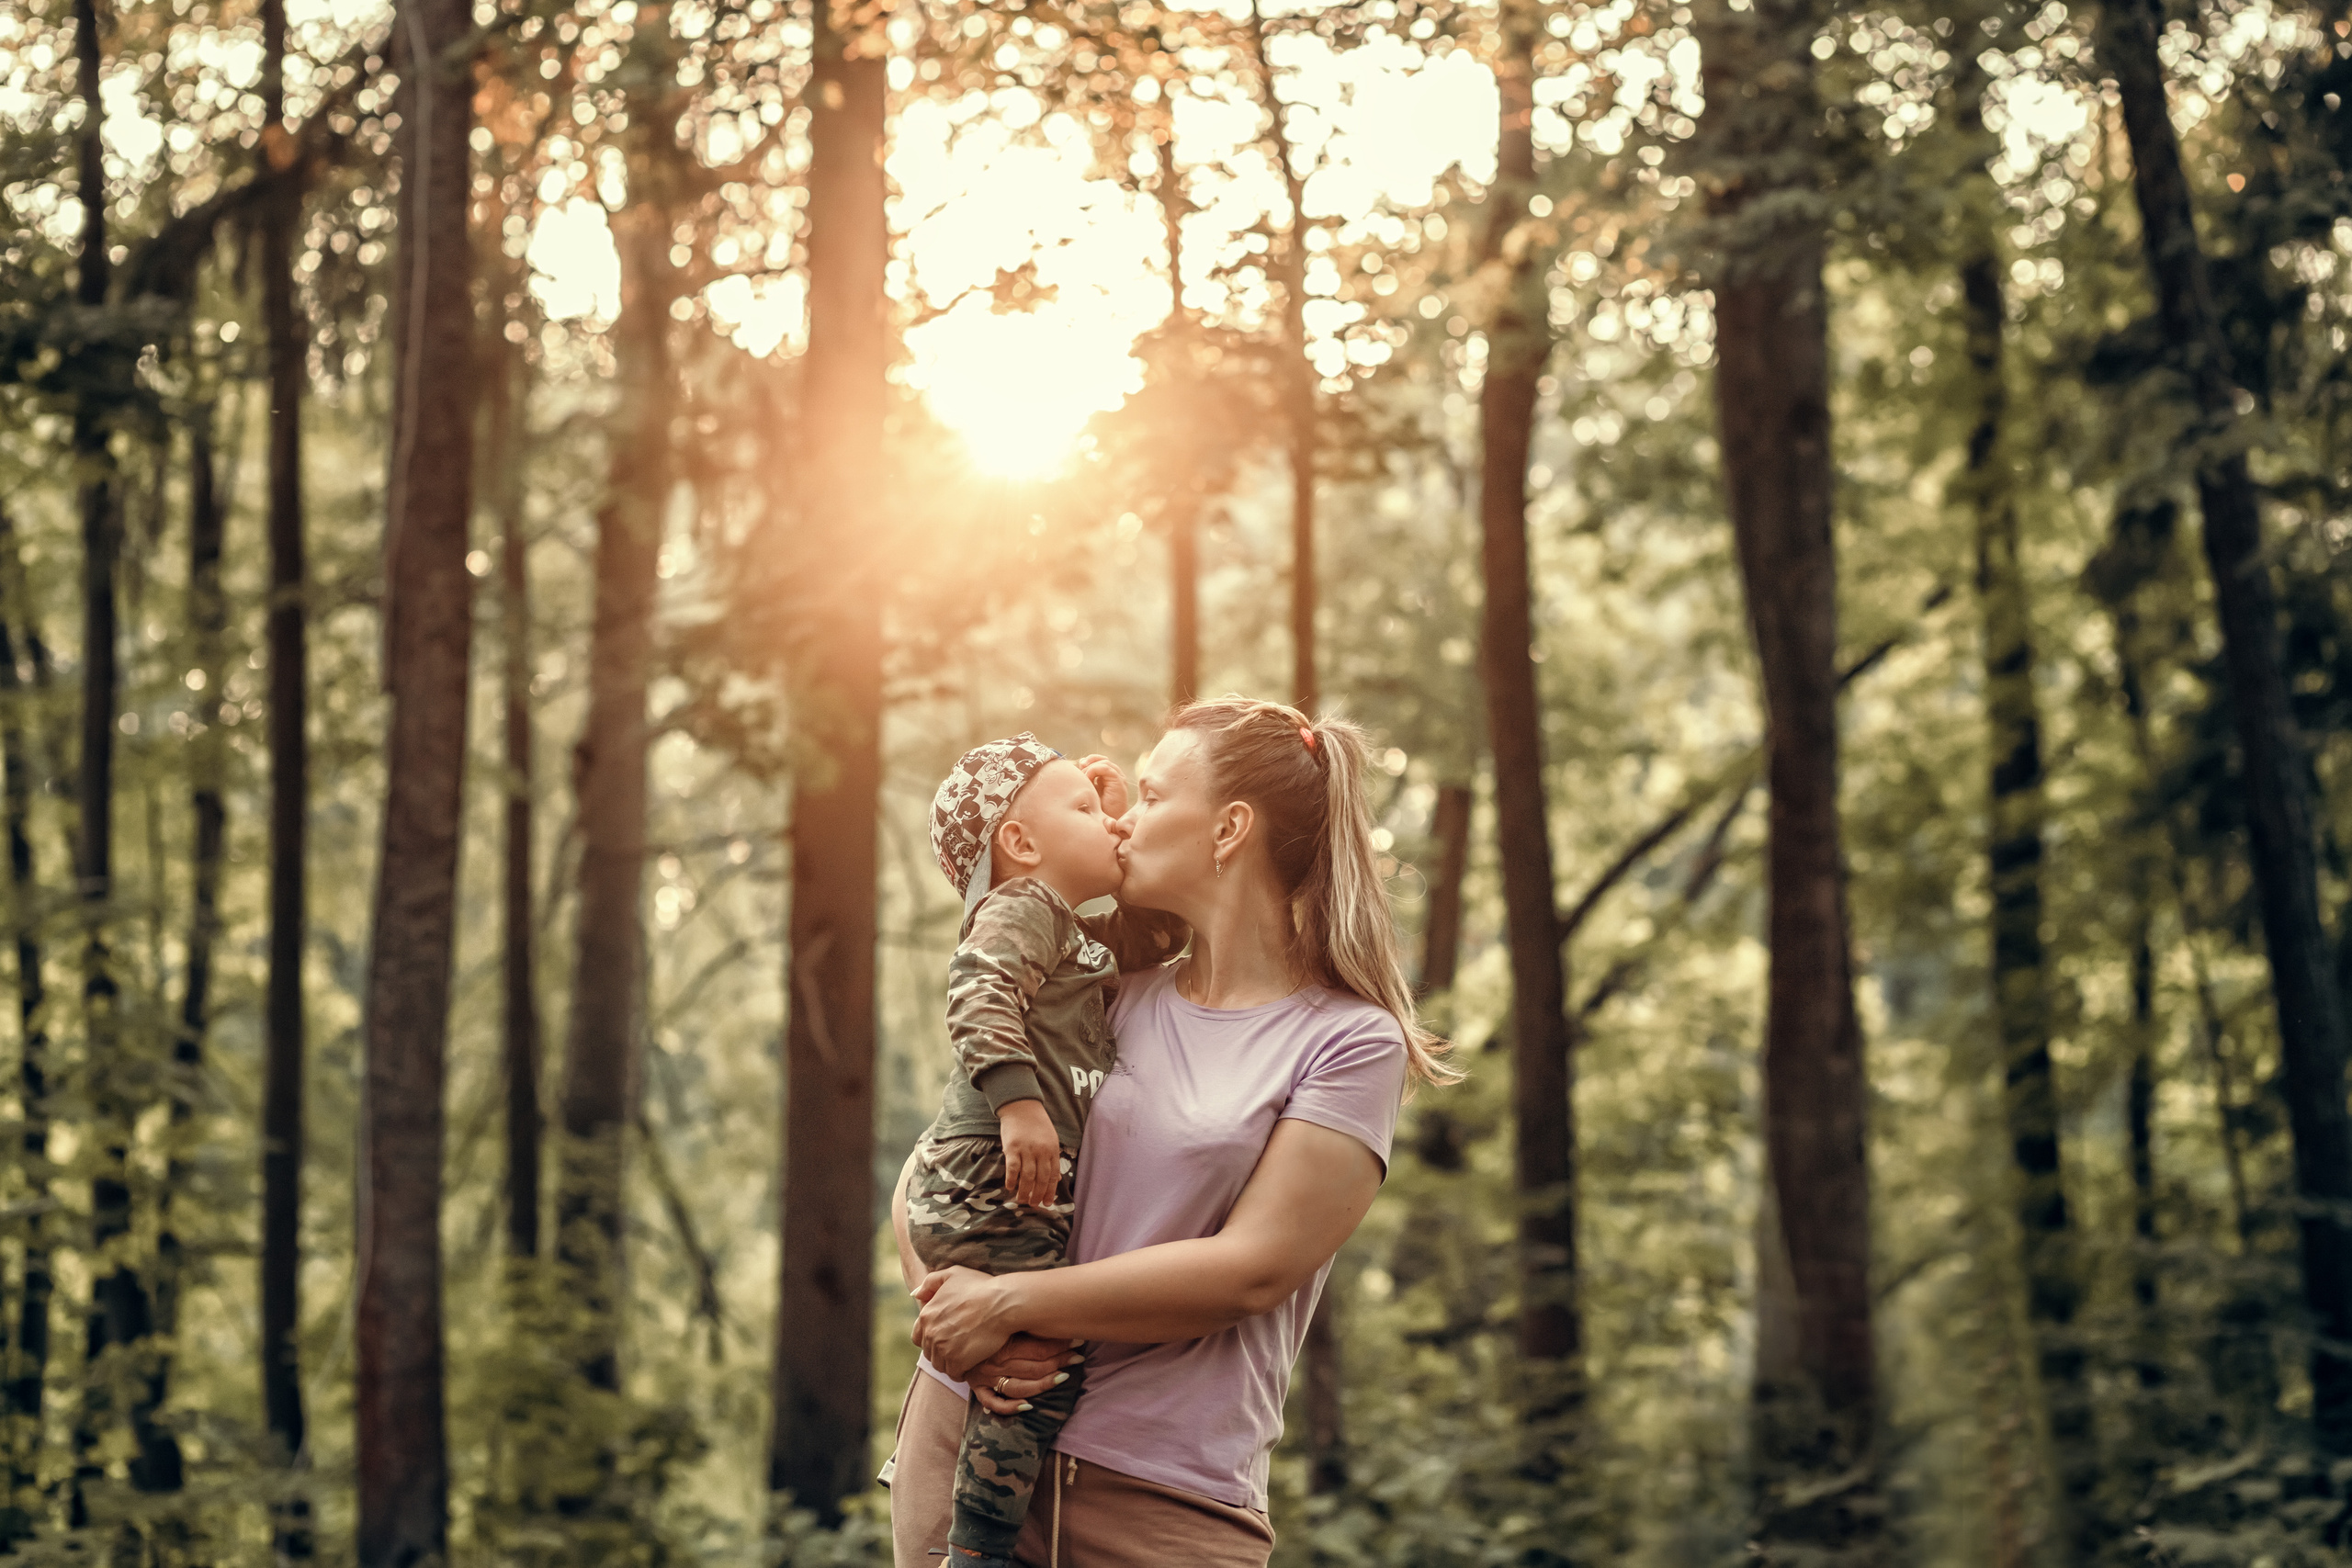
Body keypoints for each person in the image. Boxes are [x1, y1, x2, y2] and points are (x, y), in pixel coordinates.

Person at [887, 697, 1457, 1568]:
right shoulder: (1105, 992)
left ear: (1228, 829)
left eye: (1149, 796)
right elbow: (934, 1165)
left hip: (1159, 1498)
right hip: (969, 1437)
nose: (1121, 818)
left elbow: (1251, 1268)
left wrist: (1007, 1304)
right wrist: (962, 1330)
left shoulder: (1348, 1042)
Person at [908, 733, 1185, 1567]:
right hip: (989, 1168)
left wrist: (1103, 800)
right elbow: (976, 988)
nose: (1109, 824)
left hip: (1003, 1177)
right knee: (1042, 1371)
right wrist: (1019, 1102)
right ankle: (979, 1548)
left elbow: (1160, 931)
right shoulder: (1021, 907)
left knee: (1028, 1359)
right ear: (1021, 845)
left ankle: (977, 1536)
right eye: (1081, 811)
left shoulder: (1077, 935)